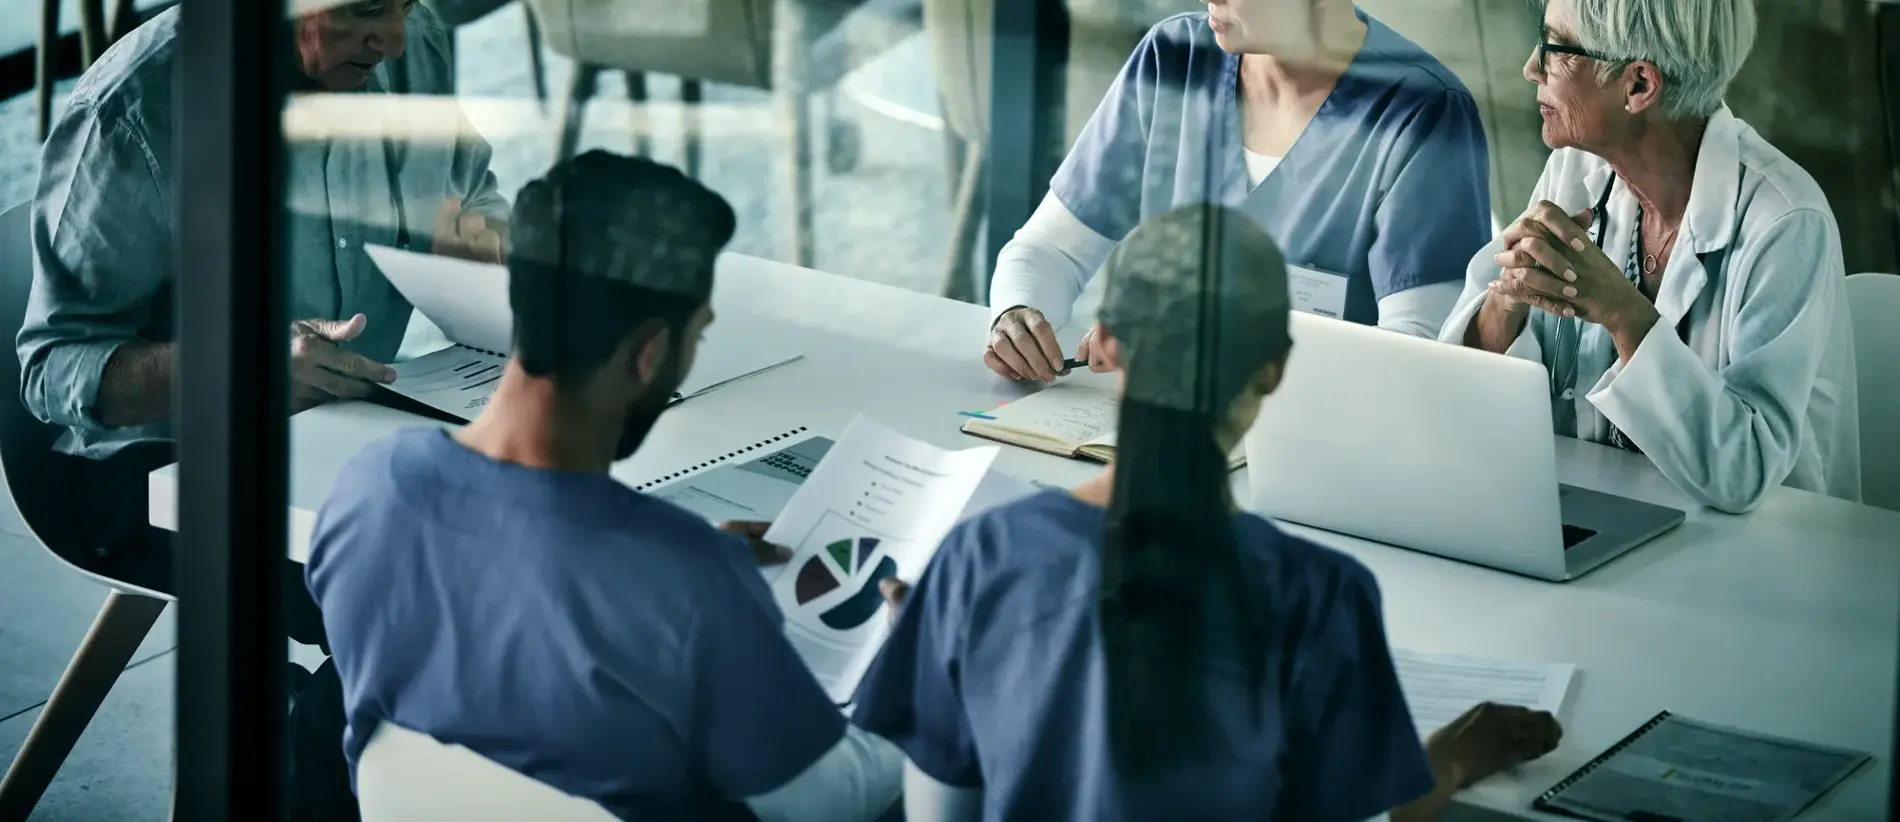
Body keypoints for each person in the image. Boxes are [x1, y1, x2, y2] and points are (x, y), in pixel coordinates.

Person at [858, 203, 1561, 821]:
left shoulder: (979, 557)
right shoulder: (1317, 595)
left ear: (1103, 343)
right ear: (1275, 367)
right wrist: (1452, 763)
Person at [305, 152, 902, 821]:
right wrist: (916, 670)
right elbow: (833, 801)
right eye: (694, 336)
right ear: (649, 352)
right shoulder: (687, 582)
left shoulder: (368, 490)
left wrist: (676, 569)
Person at [1440, 0, 1860, 514]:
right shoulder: (1574, 173)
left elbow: (1745, 469)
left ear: (1638, 85)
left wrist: (1622, 311)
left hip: (1762, 555)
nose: (1532, 67)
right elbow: (1457, 401)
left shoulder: (1786, 222)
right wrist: (1506, 303)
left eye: (1555, 48)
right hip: (1601, 520)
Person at [983, 0, 1494, 383]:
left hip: (1320, 460)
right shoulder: (1175, 60)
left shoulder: (1423, 114)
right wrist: (1020, 314)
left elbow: (1418, 357)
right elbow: (1049, 249)